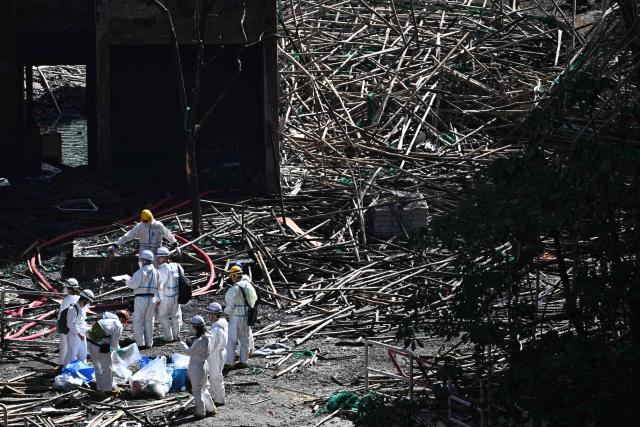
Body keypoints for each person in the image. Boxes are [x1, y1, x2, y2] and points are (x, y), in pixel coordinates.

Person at [179, 316, 216, 418]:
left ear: (195, 327)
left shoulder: (199, 340)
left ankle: (200, 412)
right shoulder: (207, 336)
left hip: (197, 367)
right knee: (204, 388)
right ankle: (211, 408)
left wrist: (181, 342)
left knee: (197, 391)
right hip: (204, 365)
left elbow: (188, 352)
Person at [224, 265, 257, 370]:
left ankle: (229, 362)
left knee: (231, 340)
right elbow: (254, 300)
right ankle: (244, 361)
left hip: (236, 318)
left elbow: (230, 305)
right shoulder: (249, 285)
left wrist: (224, 313)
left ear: (233, 275)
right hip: (246, 317)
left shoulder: (234, 289)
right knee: (244, 340)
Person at [126, 250, 161, 349]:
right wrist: (158, 298)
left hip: (140, 298)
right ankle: (149, 343)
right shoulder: (157, 272)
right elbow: (159, 286)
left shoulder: (140, 272)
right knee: (149, 321)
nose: (140, 261)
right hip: (151, 298)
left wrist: (126, 281)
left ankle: (140, 343)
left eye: (141, 259)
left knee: (138, 321)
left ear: (144, 260)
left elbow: (134, 284)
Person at [108, 209, 178, 257]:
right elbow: (128, 236)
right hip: (144, 254)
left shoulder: (158, 226)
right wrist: (116, 244)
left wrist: (174, 243)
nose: (146, 224)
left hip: (156, 253)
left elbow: (168, 234)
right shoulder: (140, 227)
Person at [86, 312, 123, 393]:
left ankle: (99, 387)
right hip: (100, 348)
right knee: (107, 368)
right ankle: (107, 390)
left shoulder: (103, 321)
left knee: (97, 366)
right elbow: (114, 344)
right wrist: (119, 351)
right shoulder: (118, 324)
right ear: (122, 319)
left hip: (90, 345)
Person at [156, 246, 183, 341]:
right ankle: (176, 336)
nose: (157, 259)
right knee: (176, 316)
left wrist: (157, 299)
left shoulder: (162, 269)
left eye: (159, 257)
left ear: (163, 257)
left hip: (165, 298)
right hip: (176, 297)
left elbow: (159, 286)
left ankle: (168, 337)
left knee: (163, 316)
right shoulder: (176, 266)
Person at [64, 289, 94, 365]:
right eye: (87, 302)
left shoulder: (83, 308)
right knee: (71, 355)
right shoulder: (73, 309)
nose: (87, 304)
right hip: (74, 335)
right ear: (84, 299)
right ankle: (66, 372)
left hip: (82, 335)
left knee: (83, 354)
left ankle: (82, 370)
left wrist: (86, 325)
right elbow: (70, 324)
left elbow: (81, 321)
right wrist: (78, 333)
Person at [206, 302, 228, 406]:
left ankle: (219, 399)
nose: (208, 316)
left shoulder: (216, 329)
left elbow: (211, 346)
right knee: (216, 376)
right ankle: (216, 397)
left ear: (215, 315)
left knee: (215, 377)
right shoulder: (222, 323)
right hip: (221, 352)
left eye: (210, 314)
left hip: (216, 354)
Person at [58, 278, 80, 366]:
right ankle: (73, 364)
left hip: (65, 326)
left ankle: (63, 364)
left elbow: (61, 314)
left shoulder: (66, 300)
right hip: (76, 326)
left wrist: (59, 326)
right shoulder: (79, 298)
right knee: (74, 346)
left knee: (64, 346)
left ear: (69, 288)